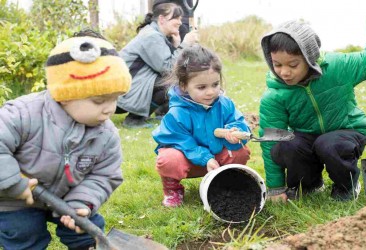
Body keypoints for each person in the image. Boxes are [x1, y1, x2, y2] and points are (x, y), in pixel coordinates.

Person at [0, 29, 132, 250]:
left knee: (85, 227)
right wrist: (12, 181)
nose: (110, 109)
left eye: (115, 99)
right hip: (15, 199)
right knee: (23, 233)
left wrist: (81, 202)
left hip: (66, 197)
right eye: (99, 100)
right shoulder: (23, 114)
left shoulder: (106, 135)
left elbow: (104, 175)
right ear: (65, 96)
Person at [259, 19, 366, 203]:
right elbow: (272, 139)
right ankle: (310, 185)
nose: (284, 72)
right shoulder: (274, 95)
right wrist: (275, 187)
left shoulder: (337, 67)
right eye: (277, 64)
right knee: (287, 144)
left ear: (309, 57)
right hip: (308, 138)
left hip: (347, 131)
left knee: (328, 143)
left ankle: (346, 186)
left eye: (293, 64)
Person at [152, 44, 251, 207]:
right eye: (202, 87)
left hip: (217, 160)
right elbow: (184, 143)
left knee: (240, 151)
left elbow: (238, 122)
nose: (211, 92)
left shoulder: (224, 104)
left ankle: (225, 181)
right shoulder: (177, 113)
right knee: (167, 159)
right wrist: (206, 158)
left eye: (215, 84)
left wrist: (236, 132)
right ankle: (173, 190)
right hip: (190, 162)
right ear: (184, 85)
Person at [116, 1, 199, 129]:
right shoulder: (151, 36)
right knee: (170, 81)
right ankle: (134, 118)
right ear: (162, 19)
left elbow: (167, 61)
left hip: (130, 87)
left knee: (174, 79)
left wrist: (177, 45)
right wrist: (185, 44)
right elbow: (168, 69)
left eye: (180, 18)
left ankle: (160, 112)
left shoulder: (155, 34)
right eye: (176, 18)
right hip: (123, 93)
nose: (180, 22)